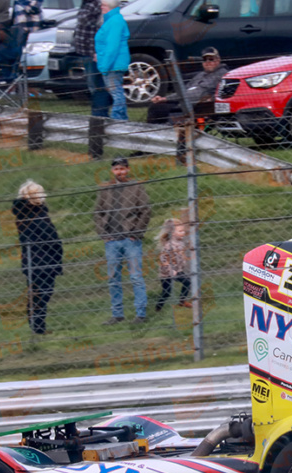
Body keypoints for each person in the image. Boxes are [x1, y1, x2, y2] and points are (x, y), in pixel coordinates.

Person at [94, 157, 151, 325]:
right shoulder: (105, 189)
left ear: (128, 169)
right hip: (111, 241)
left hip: (130, 240)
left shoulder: (136, 187)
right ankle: (117, 314)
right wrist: (103, 234)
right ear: (112, 171)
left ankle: (141, 314)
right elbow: (97, 213)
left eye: (123, 168)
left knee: (135, 277)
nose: (120, 171)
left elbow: (146, 211)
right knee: (113, 278)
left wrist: (136, 232)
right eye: (116, 169)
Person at [12, 180, 63, 335]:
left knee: (37, 293)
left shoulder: (25, 213)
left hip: (33, 259)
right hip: (43, 259)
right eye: (39, 193)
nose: (43, 196)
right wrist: (57, 248)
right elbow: (50, 237)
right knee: (42, 293)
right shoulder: (36, 214)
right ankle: (37, 327)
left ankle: (37, 325)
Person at [147, 47, 227, 125]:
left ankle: (157, 132)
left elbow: (223, 92)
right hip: (182, 101)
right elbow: (183, 90)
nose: (207, 62)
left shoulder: (222, 74)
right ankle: (152, 133)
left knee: (159, 109)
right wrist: (163, 99)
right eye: (204, 60)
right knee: (156, 106)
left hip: (197, 106)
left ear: (218, 60)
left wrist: (212, 98)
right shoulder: (200, 75)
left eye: (211, 59)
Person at [71, 0, 110, 117]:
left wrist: (98, 51)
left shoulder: (97, 4)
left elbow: (101, 26)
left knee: (98, 85)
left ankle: (100, 115)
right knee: (93, 85)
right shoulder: (87, 3)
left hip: (95, 53)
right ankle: (98, 114)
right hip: (86, 52)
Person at [95, 0, 130, 121]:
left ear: (110, 7)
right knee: (115, 91)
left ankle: (118, 118)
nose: (101, 7)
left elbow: (112, 46)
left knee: (116, 92)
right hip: (113, 63)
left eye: (103, 5)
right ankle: (121, 117)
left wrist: (104, 66)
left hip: (113, 64)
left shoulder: (114, 21)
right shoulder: (112, 20)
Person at [154, 218, 191, 311]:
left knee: (188, 281)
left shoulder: (181, 243)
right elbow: (163, 259)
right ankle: (158, 307)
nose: (183, 233)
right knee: (167, 292)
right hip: (167, 272)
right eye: (180, 231)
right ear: (173, 233)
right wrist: (170, 269)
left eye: (183, 231)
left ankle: (182, 301)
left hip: (178, 270)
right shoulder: (168, 245)